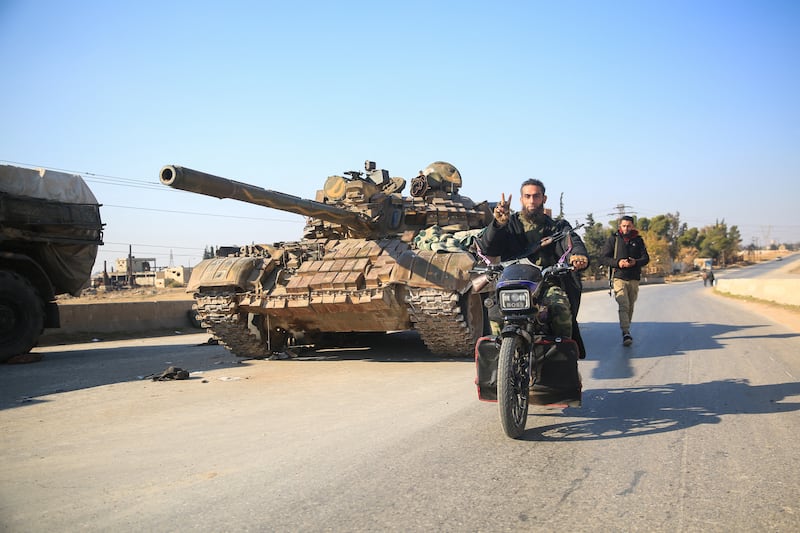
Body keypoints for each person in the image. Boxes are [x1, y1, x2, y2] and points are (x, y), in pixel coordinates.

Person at [477, 178, 590, 357]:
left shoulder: (556, 227)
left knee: (560, 307)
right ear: (521, 199)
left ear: (544, 199)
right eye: (527, 196)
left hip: (546, 283)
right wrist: (498, 224)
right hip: (513, 283)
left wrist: (577, 255)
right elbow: (488, 247)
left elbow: (571, 241)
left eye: (536, 196)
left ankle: (562, 360)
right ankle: (500, 363)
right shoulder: (509, 224)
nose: (531, 201)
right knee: (495, 312)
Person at [598, 215, 650, 346]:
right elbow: (603, 258)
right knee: (624, 304)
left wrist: (635, 262)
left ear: (632, 226)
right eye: (624, 226)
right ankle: (625, 332)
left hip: (634, 278)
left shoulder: (638, 240)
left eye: (629, 226)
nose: (626, 228)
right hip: (619, 277)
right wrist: (618, 263)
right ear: (620, 226)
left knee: (630, 306)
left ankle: (627, 329)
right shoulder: (613, 240)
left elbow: (645, 258)